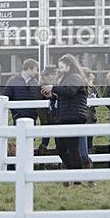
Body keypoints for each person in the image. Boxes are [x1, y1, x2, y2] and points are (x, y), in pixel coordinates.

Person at [41, 54, 88, 185]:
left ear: (69, 66)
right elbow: (66, 95)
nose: (60, 70)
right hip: (67, 116)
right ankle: (75, 174)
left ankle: (77, 179)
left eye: (62, 67)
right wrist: (53, 95)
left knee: (71, 149)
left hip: (73, 117)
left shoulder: (74, 77)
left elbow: (71, 92)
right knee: (62, 148)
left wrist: (53, 88)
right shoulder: (69, 78)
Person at [3, 58, 39, 124]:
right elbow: (7, 96)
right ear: (29, 68)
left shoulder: (35, 82)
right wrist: (15, 111)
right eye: (35, 69)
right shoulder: (13, 81)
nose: (36, 72)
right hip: (18, 116)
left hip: (32, 116)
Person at [35, 66, 58, 155]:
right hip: (47, 118)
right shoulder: (41, 87)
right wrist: (44, 119)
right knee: (45, 141)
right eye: (53, 74)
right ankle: (42, 163)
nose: (55, 76)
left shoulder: (57, 86)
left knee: (59, 140)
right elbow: (40, 106)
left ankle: (61, 162)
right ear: (47, 76)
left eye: (55, 74)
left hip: (56, 116)